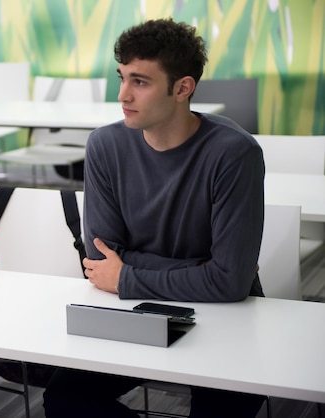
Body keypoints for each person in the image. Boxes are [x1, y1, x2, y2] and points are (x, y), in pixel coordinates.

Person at [42, 18, 266, 418]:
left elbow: (230, 284)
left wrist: (126, 274)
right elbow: (99, 260)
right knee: (64, 398)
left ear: (182, 88)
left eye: (140, 82)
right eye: (122, 77)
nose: (123, 95)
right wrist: (201, 271)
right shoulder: (105, 145)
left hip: (224, 317)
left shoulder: (234, 153)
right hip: (137, 307)